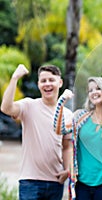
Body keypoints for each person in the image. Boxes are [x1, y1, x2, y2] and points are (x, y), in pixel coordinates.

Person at [1, 64, 73, 200]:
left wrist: (67, 170)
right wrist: (15, 77)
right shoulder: (28, 105)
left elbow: (67, 146)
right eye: (43, 81)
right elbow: (6, 108)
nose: (47, 84)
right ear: (38, 84)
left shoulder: (67, 114)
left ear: (60, 82)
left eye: (51, 80)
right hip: (30, 182)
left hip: (56, 182)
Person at [53, 77, 102, 200]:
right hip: (82, 183)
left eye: (98, 88)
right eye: (90, 90)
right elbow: (59, 129)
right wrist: (62, 101)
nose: (94, 92)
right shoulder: (81, 117)